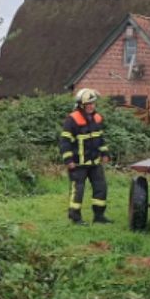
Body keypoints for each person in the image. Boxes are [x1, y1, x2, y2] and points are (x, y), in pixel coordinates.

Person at [60, 88, 111, 225]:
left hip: (94, 163)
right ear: (81, 105)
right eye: (88, 104)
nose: (91, 106)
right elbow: (65, 142)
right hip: (78, 164)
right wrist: (68, 160)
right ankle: (75, 217)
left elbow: (100, 138)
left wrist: (105, 153)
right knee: (78, 191)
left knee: (101, 188)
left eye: (93, 103)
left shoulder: (97, 118)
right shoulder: (72, 120)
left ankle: (99, 216)